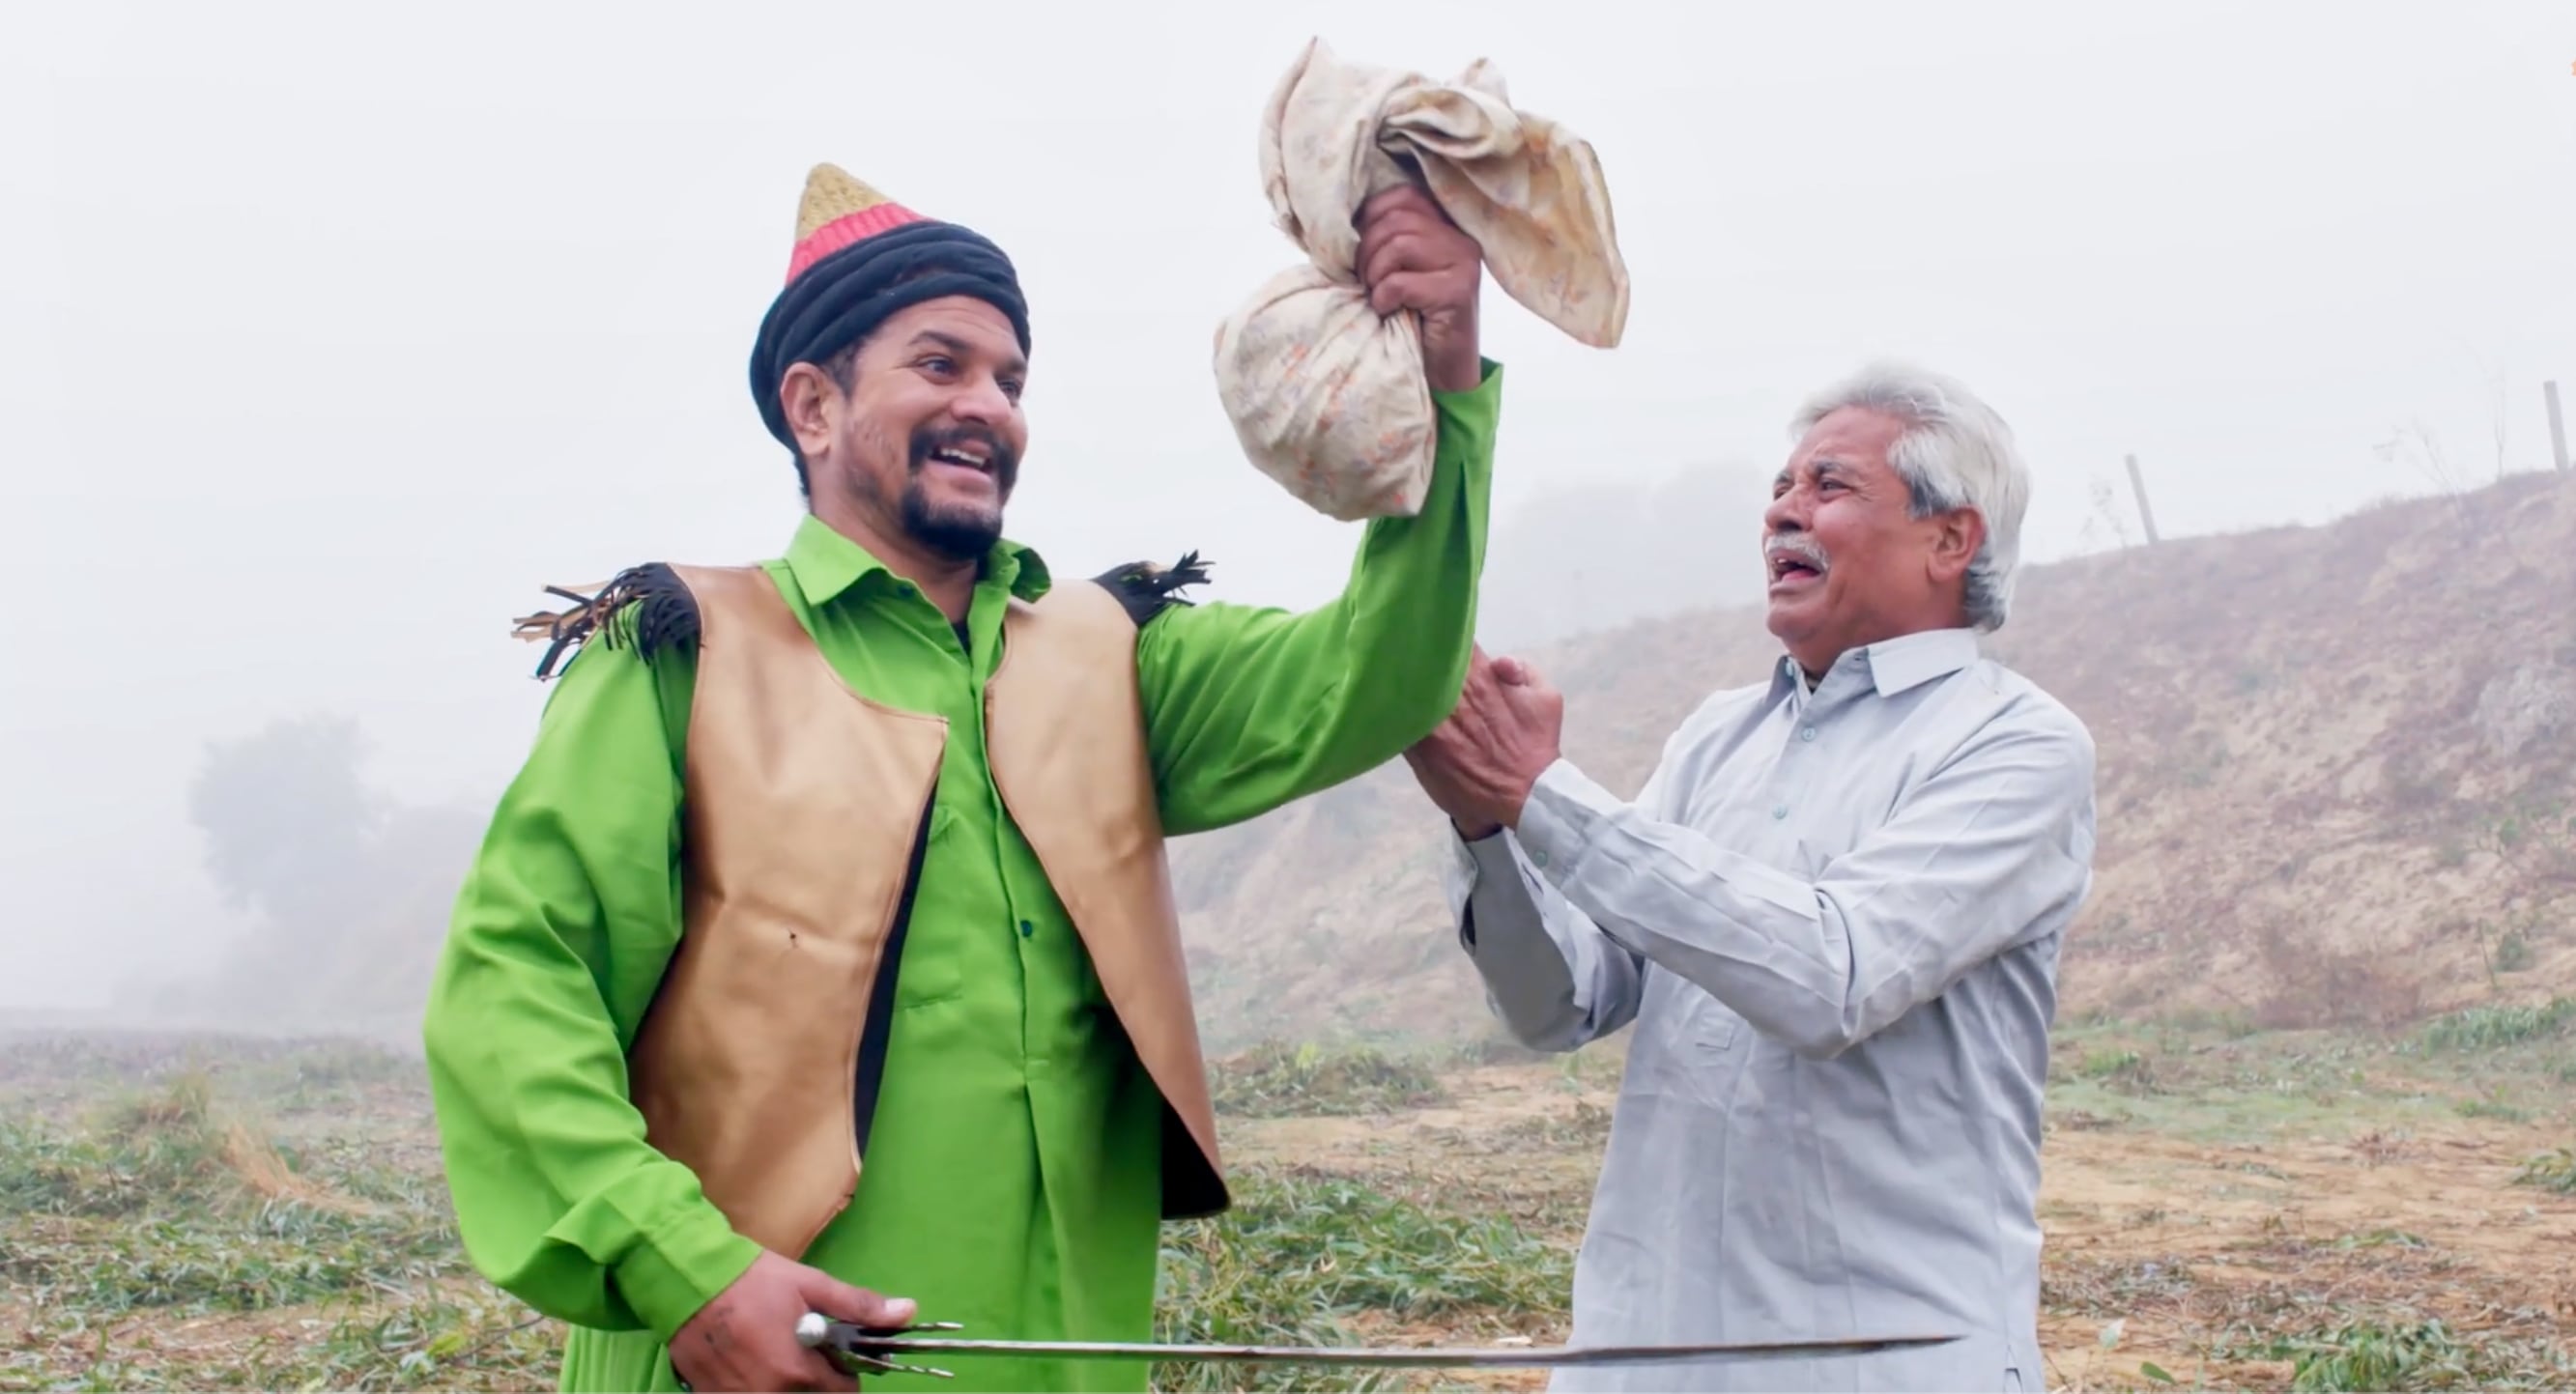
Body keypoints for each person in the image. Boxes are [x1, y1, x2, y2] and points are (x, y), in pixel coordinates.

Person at [421, 163, 1503, 1394]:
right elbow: (516, 994)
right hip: (753, 1362)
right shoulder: (684, 656)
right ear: (812, 406)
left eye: (1009, 380)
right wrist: (686, 1268)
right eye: (939, 365)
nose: (987, 405)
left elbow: (1380, 674)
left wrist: (1442, 380)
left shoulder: (1112, 657)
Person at [1402, 363, 2097, 1393]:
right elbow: (1562, 1003)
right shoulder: (1716, 736)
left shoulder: (2014, 745)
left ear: (1951, 539)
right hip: (1645, 1352)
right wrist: (1486, 817)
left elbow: (1831, 976)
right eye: (1779, 486)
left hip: (1878, 1361)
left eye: (1829, 484)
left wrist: (1541, 793)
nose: (1781, 510)